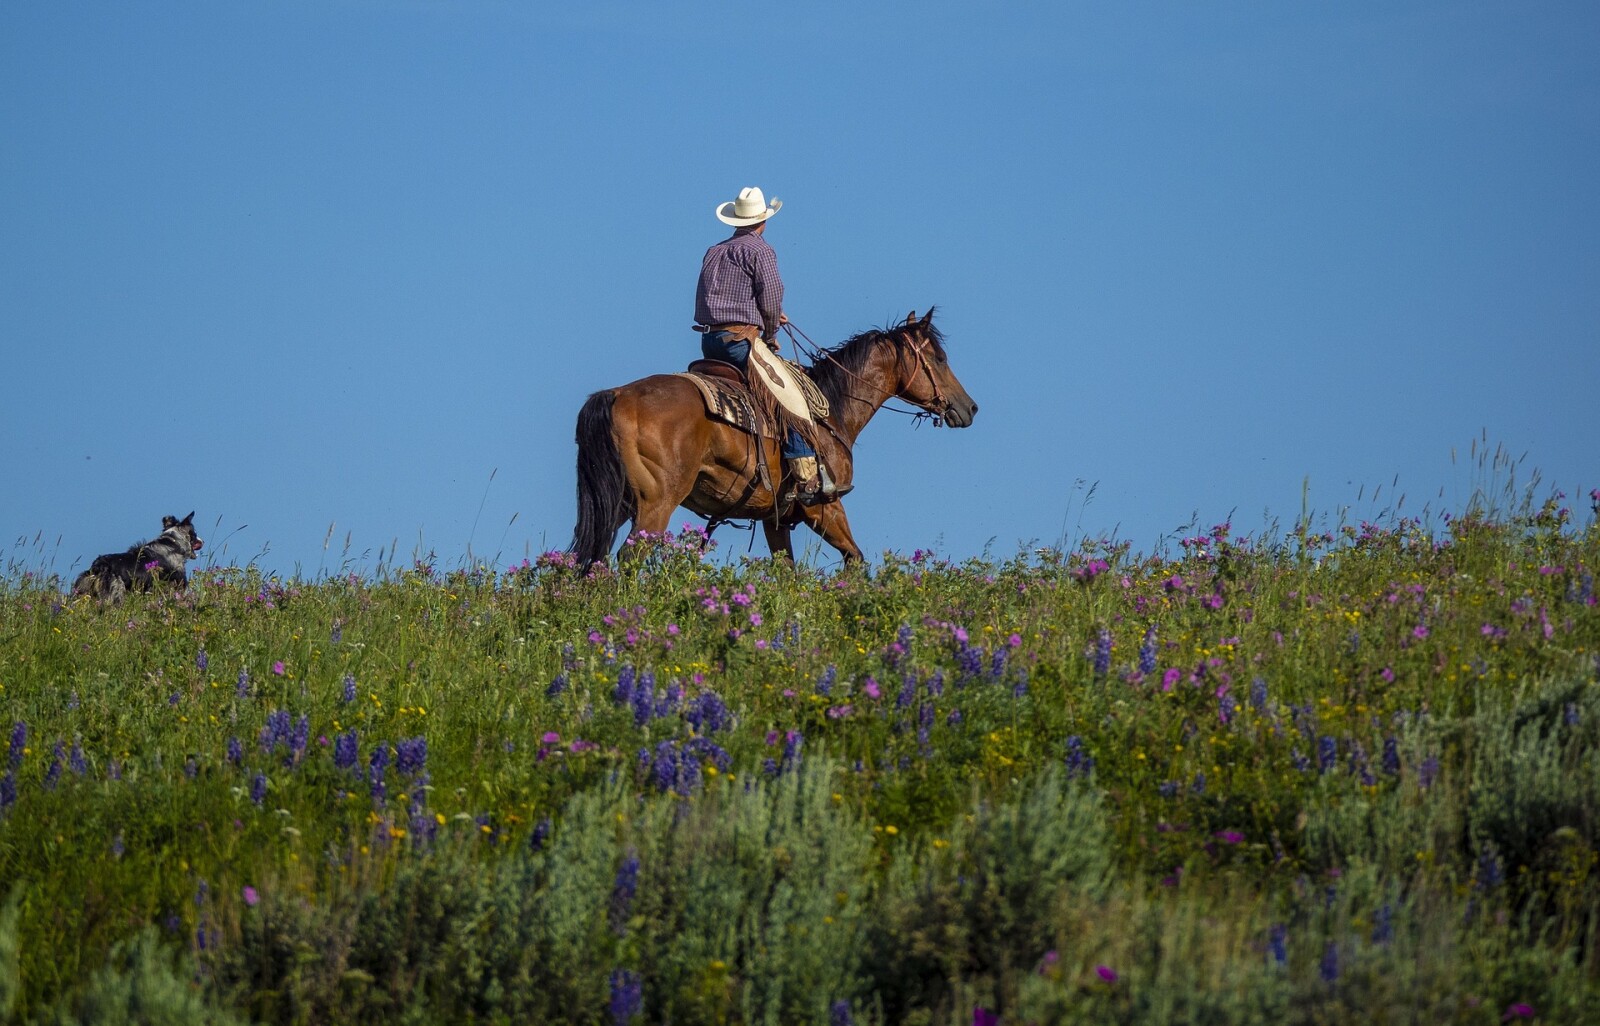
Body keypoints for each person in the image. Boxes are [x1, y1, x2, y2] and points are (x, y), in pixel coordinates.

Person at [694, 186, 830, 506]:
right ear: (763, 221)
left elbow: (724, 296)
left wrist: (758, 313)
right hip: (740, 341)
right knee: (790, 394)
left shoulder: (715, 250)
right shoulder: (761, 251)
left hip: (709, 342)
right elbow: (770, 294)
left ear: (736, 219)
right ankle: (805, 473)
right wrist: (769, 332)